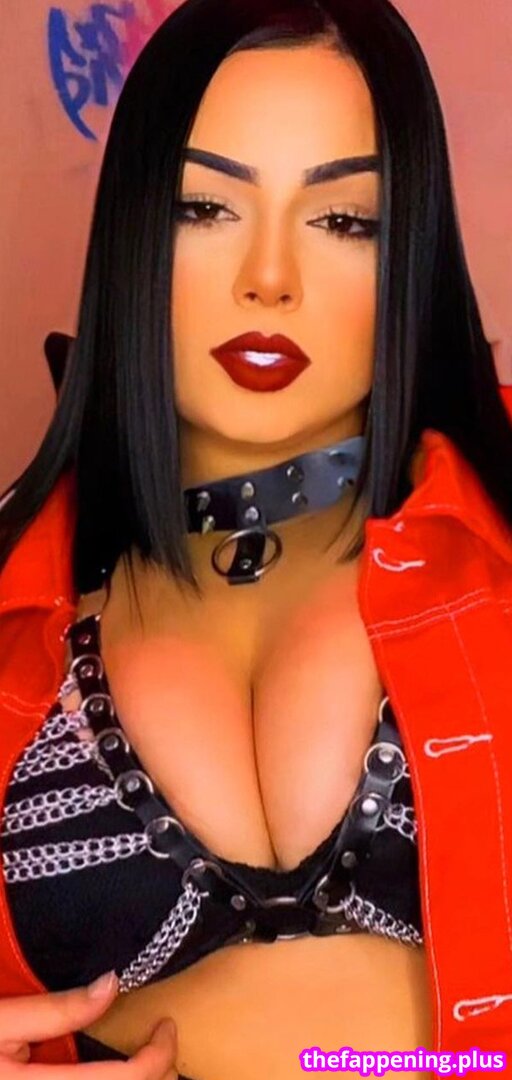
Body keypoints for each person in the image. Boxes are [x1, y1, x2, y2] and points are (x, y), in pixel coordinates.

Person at [0, 0, 511, 1076]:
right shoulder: (15, 596)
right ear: (133, 233)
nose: (268, 277)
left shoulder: (497, 531)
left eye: (344, 220)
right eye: (204, 207)